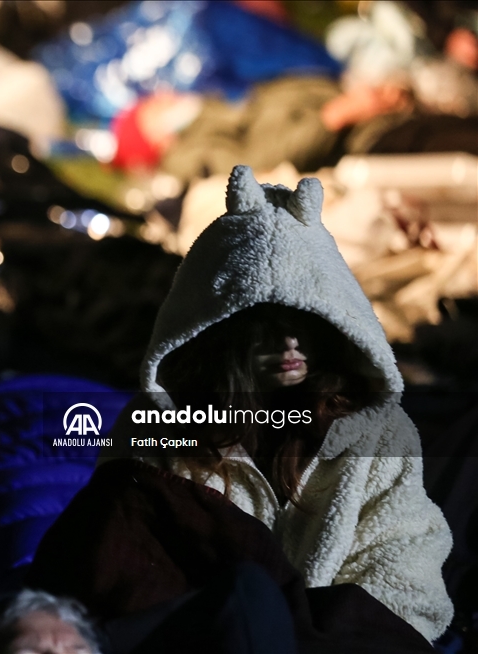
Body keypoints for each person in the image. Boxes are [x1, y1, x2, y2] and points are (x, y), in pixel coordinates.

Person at [122, 165, 454, 641]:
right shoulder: (158, 429)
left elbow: (404, 563)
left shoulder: (380, 433)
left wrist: (318, 638)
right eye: (267, 326)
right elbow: (130, 563)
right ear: (220, 329)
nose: (290, 344)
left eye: (306, 324)